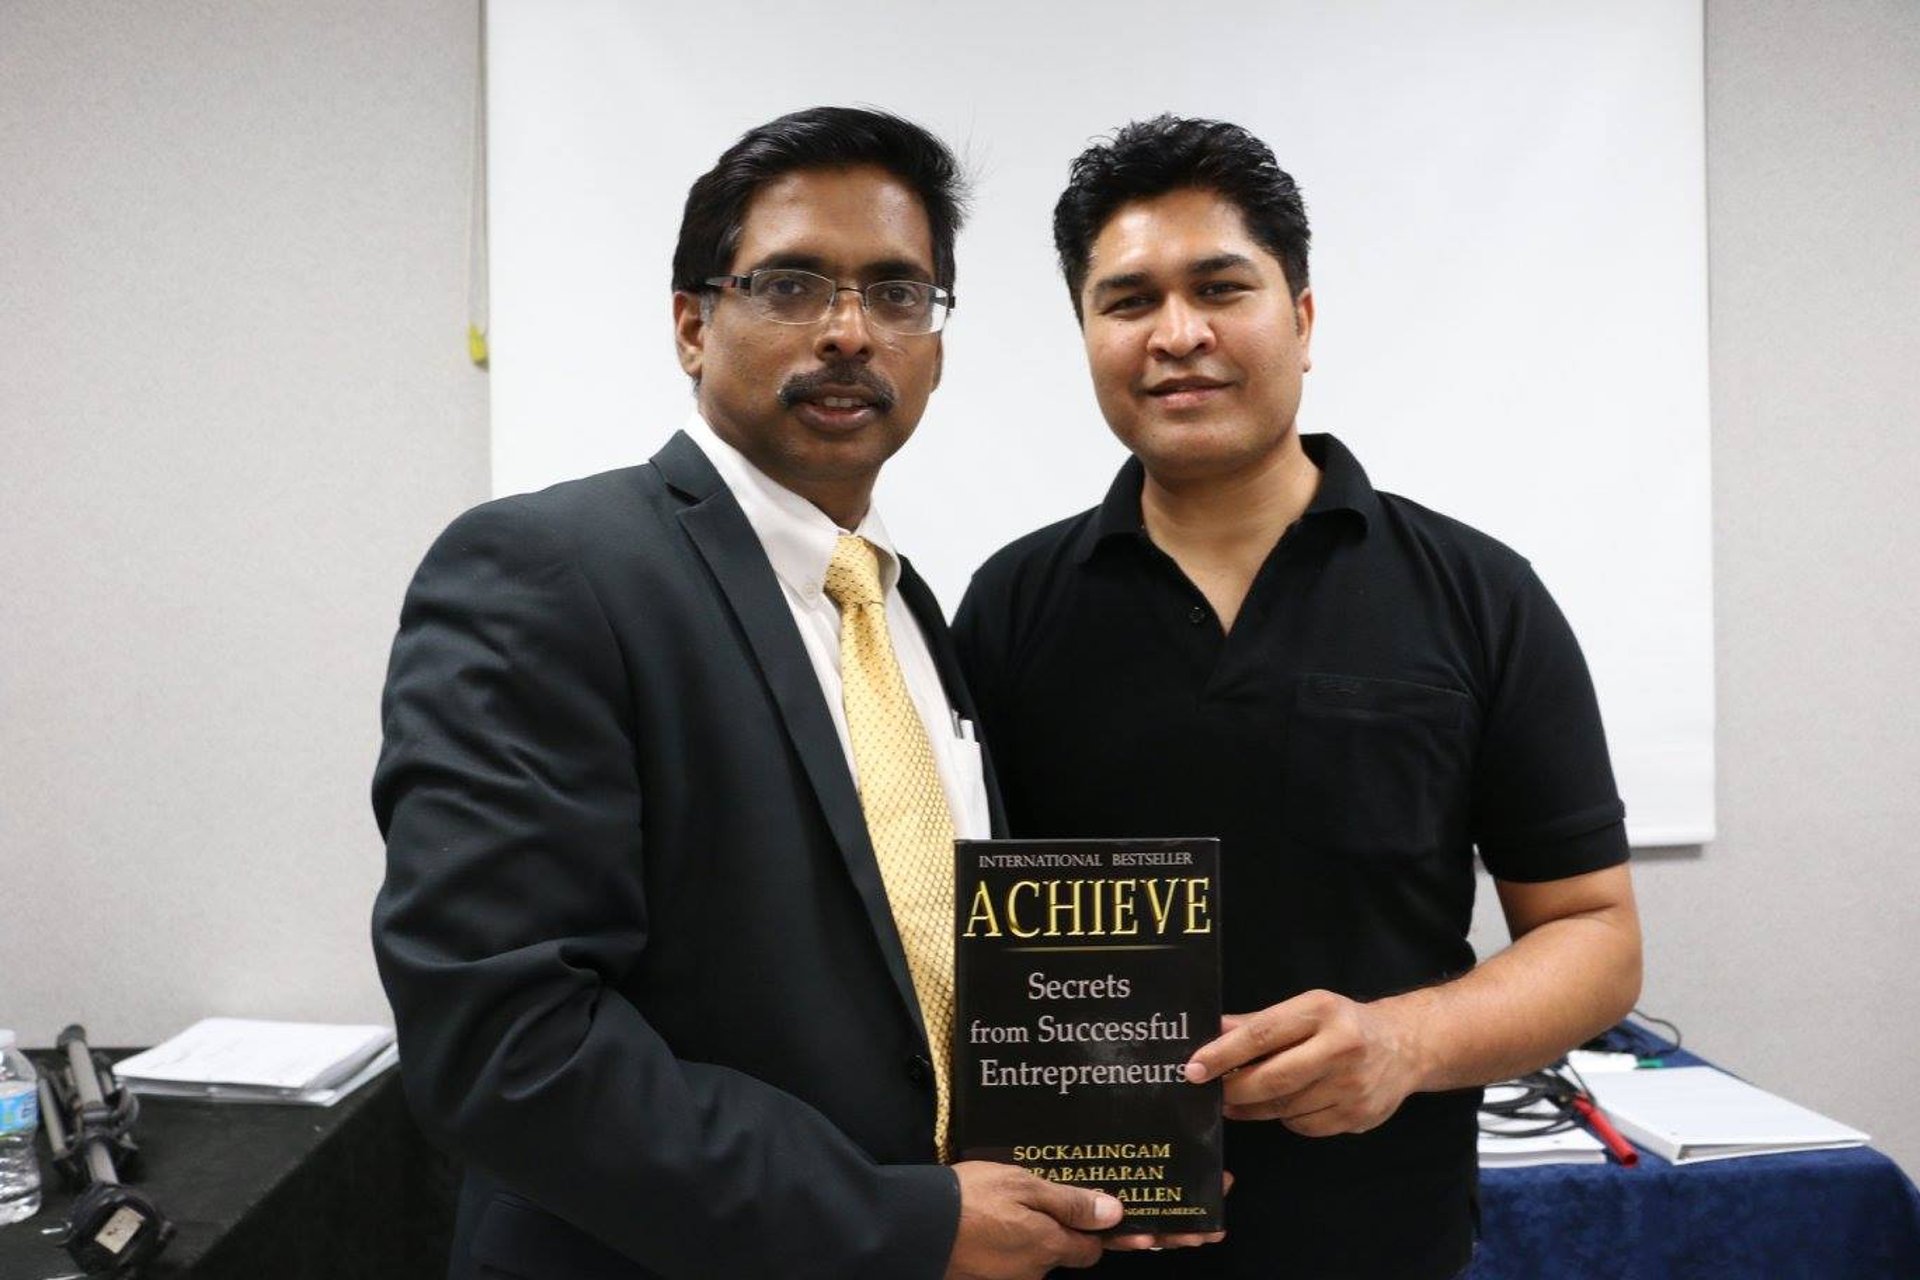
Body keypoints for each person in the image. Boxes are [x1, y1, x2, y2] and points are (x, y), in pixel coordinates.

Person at [371, 107, 1162, 1280]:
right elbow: (508, 1041)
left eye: (900, 293)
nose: (851, 331)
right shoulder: (546, 572)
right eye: (793, 284)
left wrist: (1120, 1141)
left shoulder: (908, 609)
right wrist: (901, 1222)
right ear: (693, 323)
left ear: (936, 344)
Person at [953, 116, 1643, 1279]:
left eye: (1221, 286)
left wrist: (1405, 1039)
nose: (1178, 334)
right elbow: (952, 938)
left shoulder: (1476, 593)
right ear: (1085, 334)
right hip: (1083, 1246)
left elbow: (1595, 934)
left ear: (1304, 318)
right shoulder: (1008, 606)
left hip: (1380, 1239)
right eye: (1128, 301)